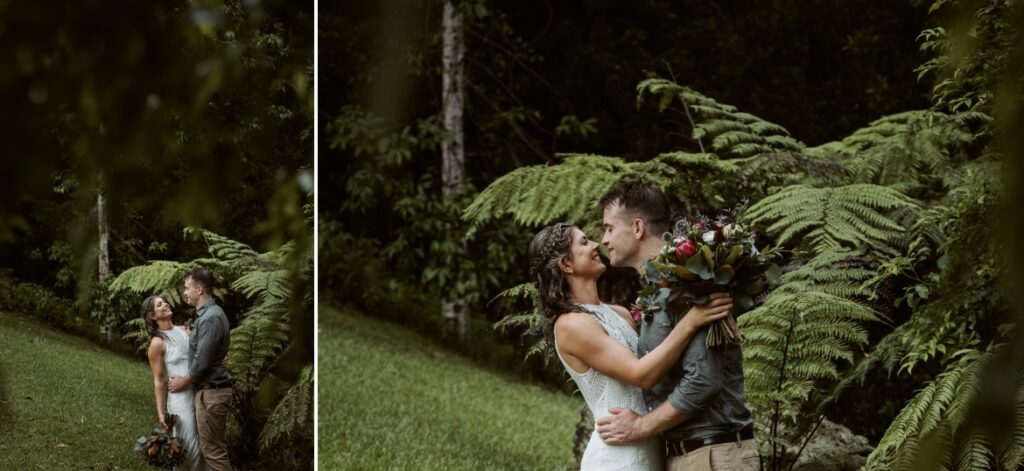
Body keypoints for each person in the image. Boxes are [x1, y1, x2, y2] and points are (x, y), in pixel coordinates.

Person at [529, 222, 734, 470]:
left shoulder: (620, 313)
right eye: (584, 242)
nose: (596, 245)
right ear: (566, 264)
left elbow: (659, 361)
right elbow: (641, 375)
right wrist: (690, 323)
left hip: (652, 448)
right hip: (617, 456)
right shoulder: (571, 325)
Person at [596, 182, 760, 471]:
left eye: (609, 228)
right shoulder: (657, 289)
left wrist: (641, 427)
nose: (604, 240)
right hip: (691, 455)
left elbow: (703, 382)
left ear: (637, 228)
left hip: (713, 456)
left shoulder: (690, 283)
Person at [168, 267, 233, 471]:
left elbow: (202, 363)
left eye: (187, 288)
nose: (185, 292)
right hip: (209, 391)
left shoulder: (211, 318)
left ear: (199, 289)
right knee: (211, 450)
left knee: (213, 452)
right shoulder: (206, 316)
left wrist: (183, 381)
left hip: (212, 392)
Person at [143, 295, 209, 471]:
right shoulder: (157, 343)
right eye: (159, 304)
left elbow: (201, 356)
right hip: (179, 399)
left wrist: (220, 360)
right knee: (189, 445)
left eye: (164, 301)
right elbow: (158, 381)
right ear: (153, 316)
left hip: (198, 392)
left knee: (203, 443)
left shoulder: (184, 331)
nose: (165, 304)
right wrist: (161, 413)